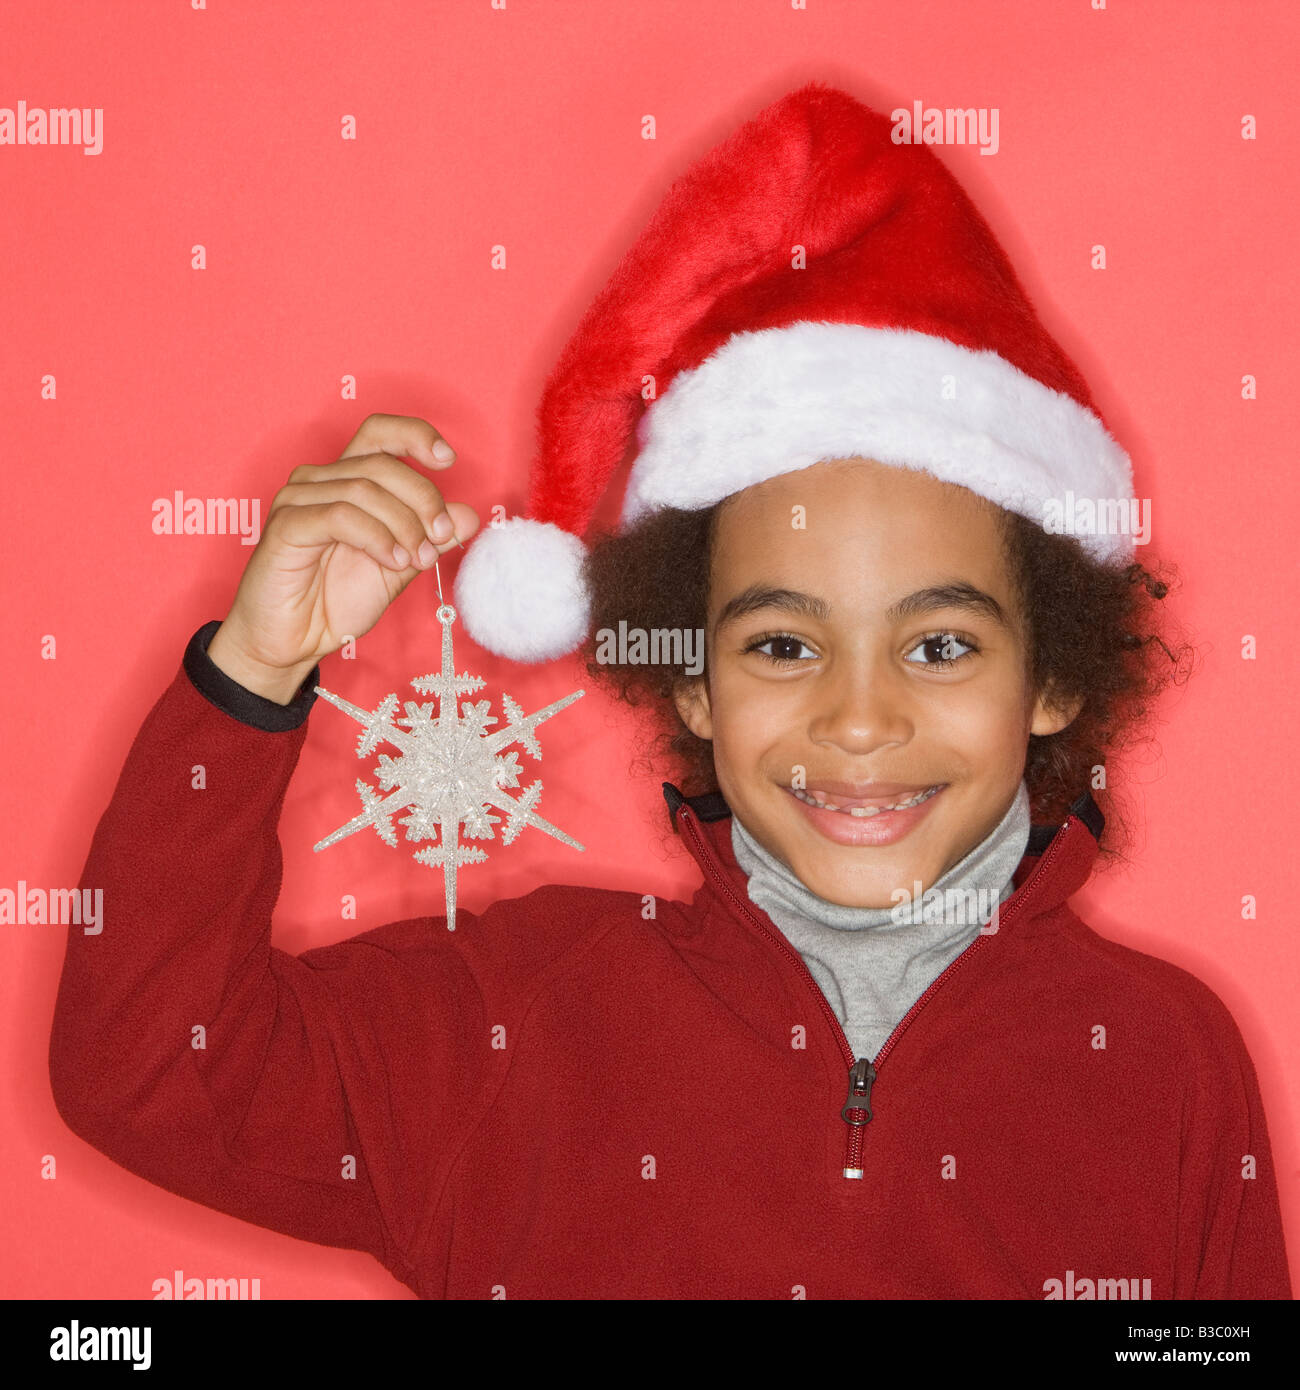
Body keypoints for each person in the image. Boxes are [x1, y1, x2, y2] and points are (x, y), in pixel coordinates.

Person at [50, 82, 1291, 1299]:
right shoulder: (514, 1021)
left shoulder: (1162, 1058)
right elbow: (151, 1071)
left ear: (1056, 673)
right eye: (783, 648)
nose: (859, 722)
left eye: (940, 646)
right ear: (689, 680)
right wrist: (256, 669)